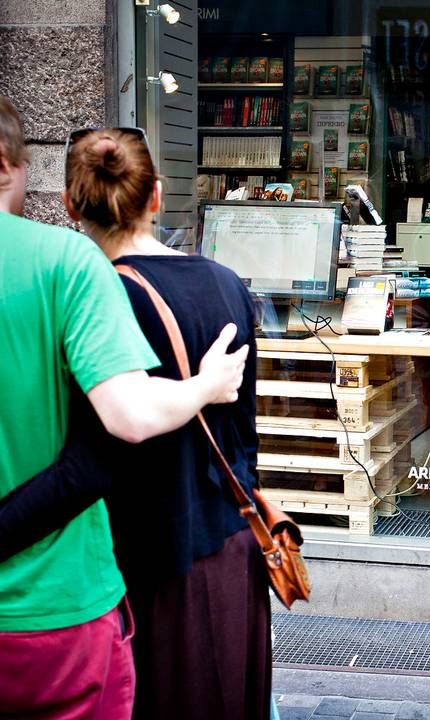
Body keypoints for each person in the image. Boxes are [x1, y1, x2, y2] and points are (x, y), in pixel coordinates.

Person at [0, 124, 270, 720]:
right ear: (157, 195)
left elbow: (90, 459)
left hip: (143, 561)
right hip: (229, 546)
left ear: (70, 203)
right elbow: (245, 432)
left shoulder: (92, 294)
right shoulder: (226, 284)